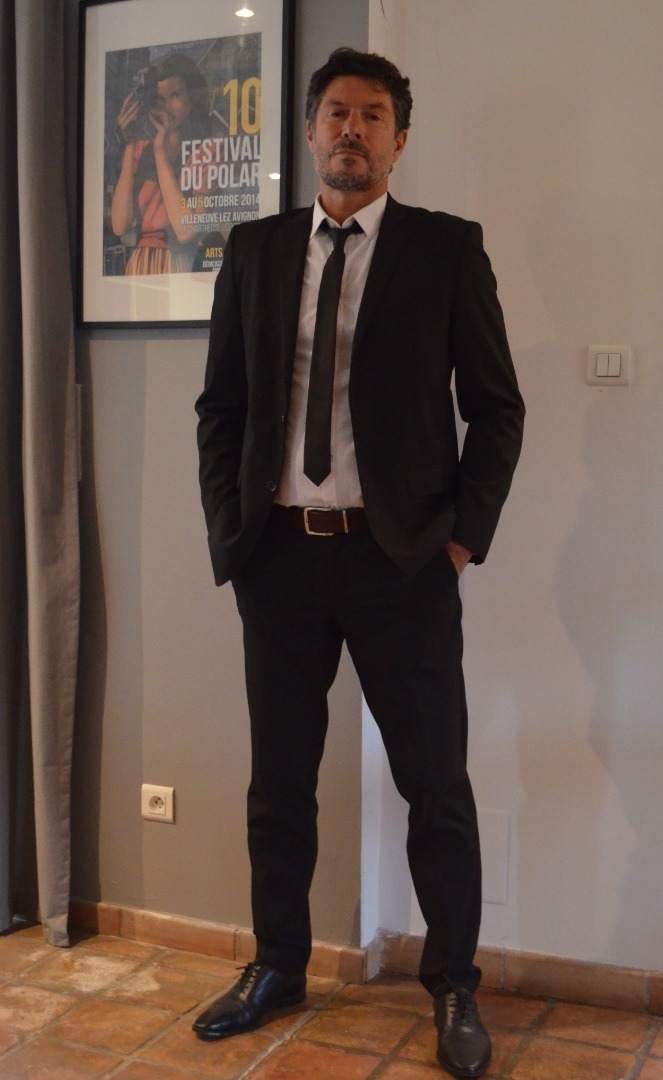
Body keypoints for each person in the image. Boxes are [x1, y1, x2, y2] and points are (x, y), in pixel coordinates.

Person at [194, 47, 524, 1079]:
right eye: (336, 111)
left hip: (402, 567)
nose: (353, 129)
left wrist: (460, 539)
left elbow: (497, 409)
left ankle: (454, 985)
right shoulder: (254, 250)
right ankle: (278, 967)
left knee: (436, 786)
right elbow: (221, 407)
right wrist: (230, 531)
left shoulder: (445, 249)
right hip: (278, 564)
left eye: (374, 115)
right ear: (308, 130)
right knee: (279, 784)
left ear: (399, 139)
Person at [110, 54, 211, 274]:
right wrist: (129, 144)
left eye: (175, 95)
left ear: (192, 98)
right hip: (141, 263)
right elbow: (119, 225)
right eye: (159, 99)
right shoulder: (139, 149)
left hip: (180, 263)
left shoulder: (205, 151)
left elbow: (186, 231)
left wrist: (160, 154)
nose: (167, 107)